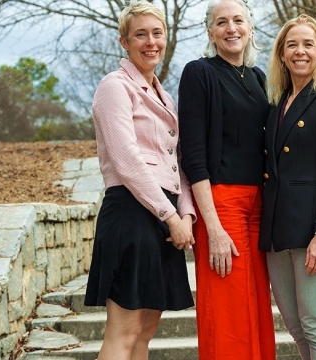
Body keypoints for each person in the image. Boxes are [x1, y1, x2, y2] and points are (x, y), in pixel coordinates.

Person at [83, 2, 196, 359]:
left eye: (157, 33)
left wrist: (187, 213)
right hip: (132, 213)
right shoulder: (114, 87)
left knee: (146, 331)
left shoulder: (164, 95)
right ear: (124, 42)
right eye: (140, 34)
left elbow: (178, 164)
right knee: (124, 331)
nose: (150, 42)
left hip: (163, 216)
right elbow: (127, 161)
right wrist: (171, 216)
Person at [176, 0, 274, 358]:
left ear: (250, 28)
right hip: (221, 203)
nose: (231, 28)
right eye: (221, 22)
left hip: (258, 204)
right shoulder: (199, 73)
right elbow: (194, 157)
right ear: (210, 31)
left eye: (238, 20)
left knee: (257, 303)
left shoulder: (259, 77)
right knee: (228, 308)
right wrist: (213, 228)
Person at [260, 14, 316, 360]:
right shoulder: (276, 104)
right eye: (292, 44)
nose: (300, 51)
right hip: (277, 232)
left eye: (308, 44)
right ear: (282, 54)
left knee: (315, 323)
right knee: (296, 327)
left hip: (313, 231)